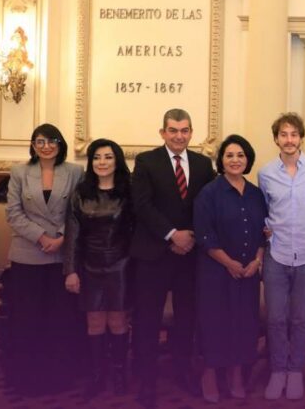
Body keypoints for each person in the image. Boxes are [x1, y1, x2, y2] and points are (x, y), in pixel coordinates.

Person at [131, 108, 216, 409]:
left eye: (184, 130)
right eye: (173, 130)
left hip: (189, 256)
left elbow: (209, 205)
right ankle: (147, 382)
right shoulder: (145, 162)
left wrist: (190, 235)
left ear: (191, 132)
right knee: (147, 321)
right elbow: (141, 206)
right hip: (154, 254)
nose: (179, 136)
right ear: (162, 132)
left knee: (186, 320)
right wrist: (171, 234)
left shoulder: (204, 164)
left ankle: (183, 372)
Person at [4, 123, 84, 396]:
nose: (46, 146)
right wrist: (41, 237)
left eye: (52, 141)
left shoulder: (74, 171)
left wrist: (62, 236)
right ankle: (26, 378)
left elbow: (79, 210)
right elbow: (13, 213)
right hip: (27, 256)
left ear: (60, 144)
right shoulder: (19, 172)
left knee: (60, 319)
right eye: (40, 141)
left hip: (63, 255)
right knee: (27, 319)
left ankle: (59, 377)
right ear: (33, 145)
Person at [258, 112, 305, 400]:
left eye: (294, 134)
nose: (289, 140)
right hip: (277, 254)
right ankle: (278, 371)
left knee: (300, 318)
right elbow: (262, 210)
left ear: (301, 138)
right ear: (276, 138)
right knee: (275, 318)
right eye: (284, 135)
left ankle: (296, 370)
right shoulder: (265, 173)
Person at [194, 134, 267, 403]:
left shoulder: (257, 194)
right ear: (221, 160)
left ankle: (235, 374)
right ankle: (210, 374)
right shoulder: (209, 193)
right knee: (216, 325)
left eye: (240, 155)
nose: (235, 160)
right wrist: (229, 263)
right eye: (229, 155)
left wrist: (257, 260)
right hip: (216, 272)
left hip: (248, 272)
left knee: (243, 324)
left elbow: (263, 232)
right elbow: (204, 235)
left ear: (247, 160)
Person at [63, 138, 133, 398]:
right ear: (91, 162)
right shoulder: (81, 193)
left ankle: (118, 375)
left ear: (117, 161)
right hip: (89, 266)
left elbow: (136, 231)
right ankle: (96, 376)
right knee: (94, 323)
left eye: (108, 157)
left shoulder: (129, 191)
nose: (102, 162)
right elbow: (73, 235)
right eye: (97, 158)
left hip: (121, 266)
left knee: (117, 321)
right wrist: (71, 270)